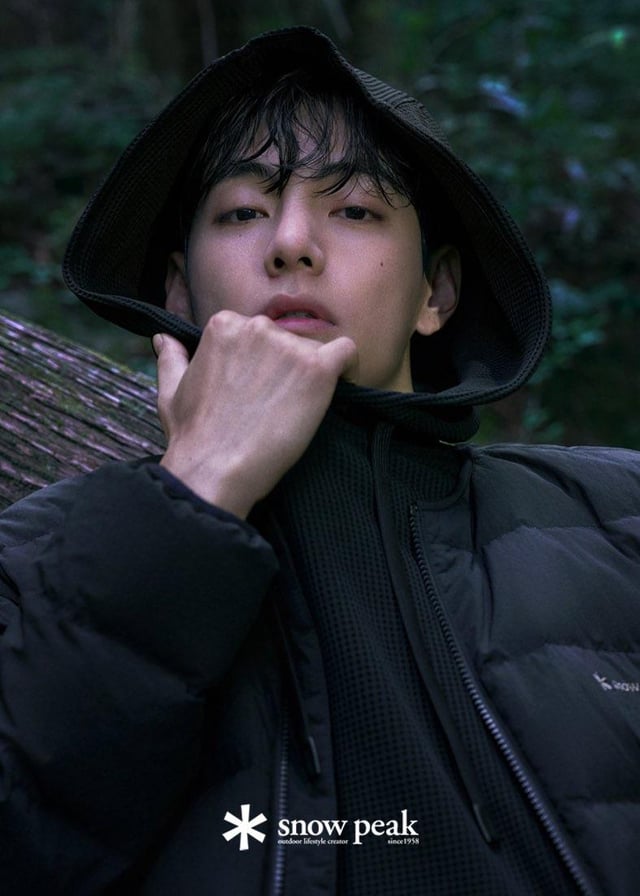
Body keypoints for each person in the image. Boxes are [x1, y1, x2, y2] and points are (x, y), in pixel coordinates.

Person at [1, 25, 639, 896]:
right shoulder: (39, 561)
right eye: (241, 212)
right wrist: (196, 489)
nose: (292, 242)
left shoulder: (616, 517)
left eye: (356, 210)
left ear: (435, 292)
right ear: (178, 289)